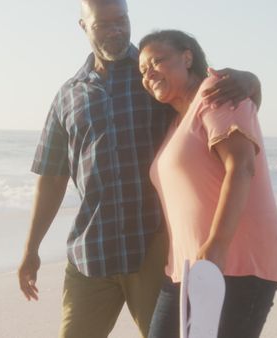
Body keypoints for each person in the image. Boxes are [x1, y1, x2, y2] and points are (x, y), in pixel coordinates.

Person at [17, 1, 262, 337]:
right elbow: (51, 176)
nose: (116, 30)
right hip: (92, 250)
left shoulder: (156, 73)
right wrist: (32, 248)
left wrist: (250, 80)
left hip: (154, 247)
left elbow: (211, 100)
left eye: (122, 21)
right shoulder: (68, 95)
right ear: (83, 26)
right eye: (104, 24)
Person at [138, 30, 277, 338]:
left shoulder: (216, 92)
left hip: (235, 259)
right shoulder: (176, 123)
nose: (149, 73)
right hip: (188, 267)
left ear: (187, 57)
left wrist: (217, 245)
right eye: (142, 70)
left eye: (157, 61)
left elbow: (242, 166)